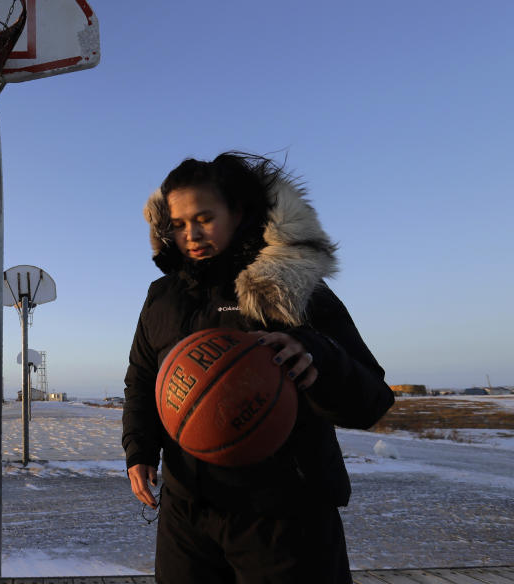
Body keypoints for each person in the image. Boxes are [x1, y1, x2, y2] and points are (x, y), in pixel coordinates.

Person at [122, 152, 394, 584]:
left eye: (204, 218)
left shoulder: (288, 285)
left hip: (285, 517)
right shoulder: (163, 295)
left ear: (238, 213)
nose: (191, 234)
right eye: (177, 224)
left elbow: (372, 401)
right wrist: (139, 451)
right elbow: (141, 381)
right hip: (188, 513)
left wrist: (315, 354)